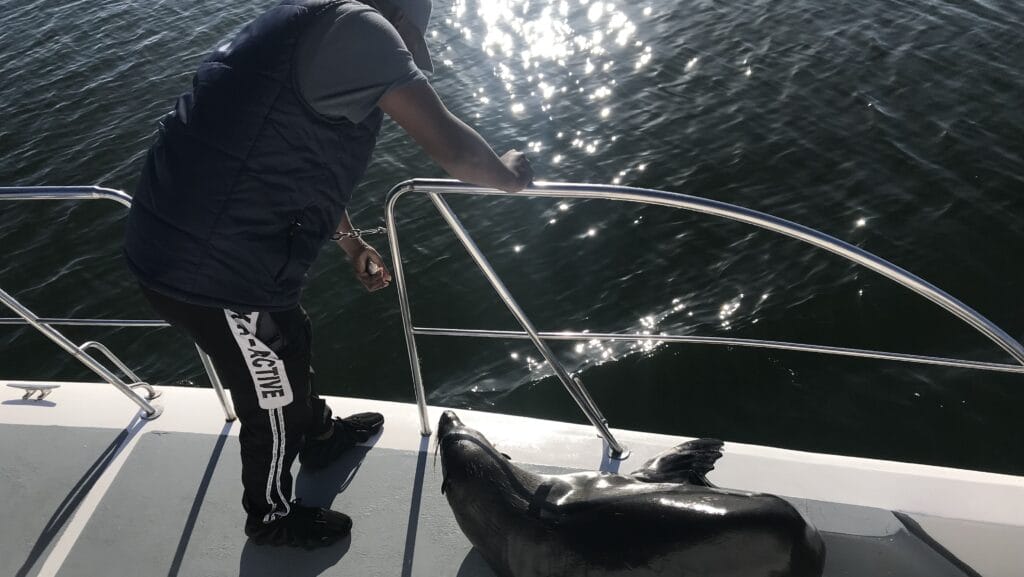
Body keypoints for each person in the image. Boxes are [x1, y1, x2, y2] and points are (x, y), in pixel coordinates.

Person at [123, 0, 532, 549]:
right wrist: (509, 176)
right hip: (207, 268)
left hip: (199, 241)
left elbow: (287, 153)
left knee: (290, 336)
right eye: (410, 39)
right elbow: (456, 152)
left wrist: (349, 241)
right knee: (269, 392)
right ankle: (268, 516)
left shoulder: (306, 24)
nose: (405, 53)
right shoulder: (363, 31)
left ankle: (317, 435)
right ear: (400, 21)